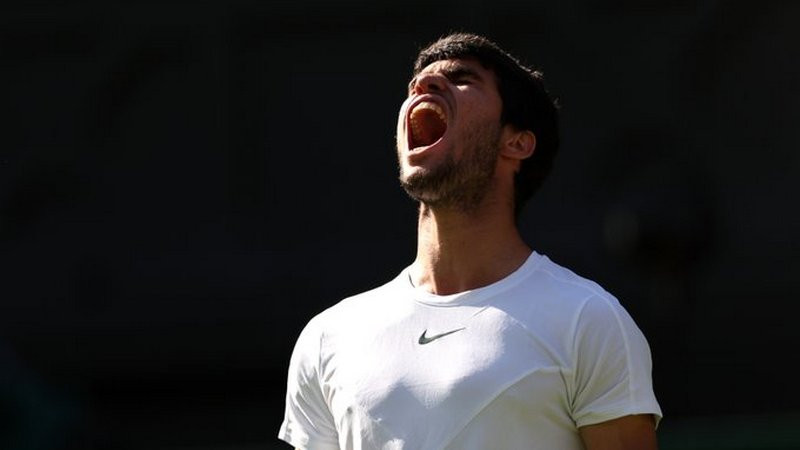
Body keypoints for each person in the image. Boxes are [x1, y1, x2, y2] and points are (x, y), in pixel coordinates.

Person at [279, 33, 662, 450]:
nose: (423, 87)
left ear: (516, 142)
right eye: (417, 84)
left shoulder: (589, 321)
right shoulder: (328, 337)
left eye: (462, 79)